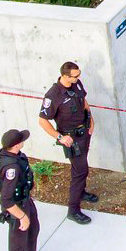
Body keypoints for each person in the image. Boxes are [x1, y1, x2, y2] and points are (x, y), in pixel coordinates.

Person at [36, 60, 95, 224]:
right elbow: (43, 121)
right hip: (71, 139)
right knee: (80, 171)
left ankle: (81, 192)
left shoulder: (76, 84)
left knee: (82, 167)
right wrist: (60, 137)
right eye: (74, 76)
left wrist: (91, 121)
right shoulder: (53, 95)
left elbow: (83, 101)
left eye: (79, 75)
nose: (78, 78)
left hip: (84, 133)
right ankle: (73, 210)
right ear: (64, 76)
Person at [0, 128, 51, 251]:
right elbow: (5, 200)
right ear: (16, 144)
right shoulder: (11, 167)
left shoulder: (16, 156)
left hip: (25, 200)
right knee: (17, 246)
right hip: (16, 207)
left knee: (34, 229)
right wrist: (21, 217)